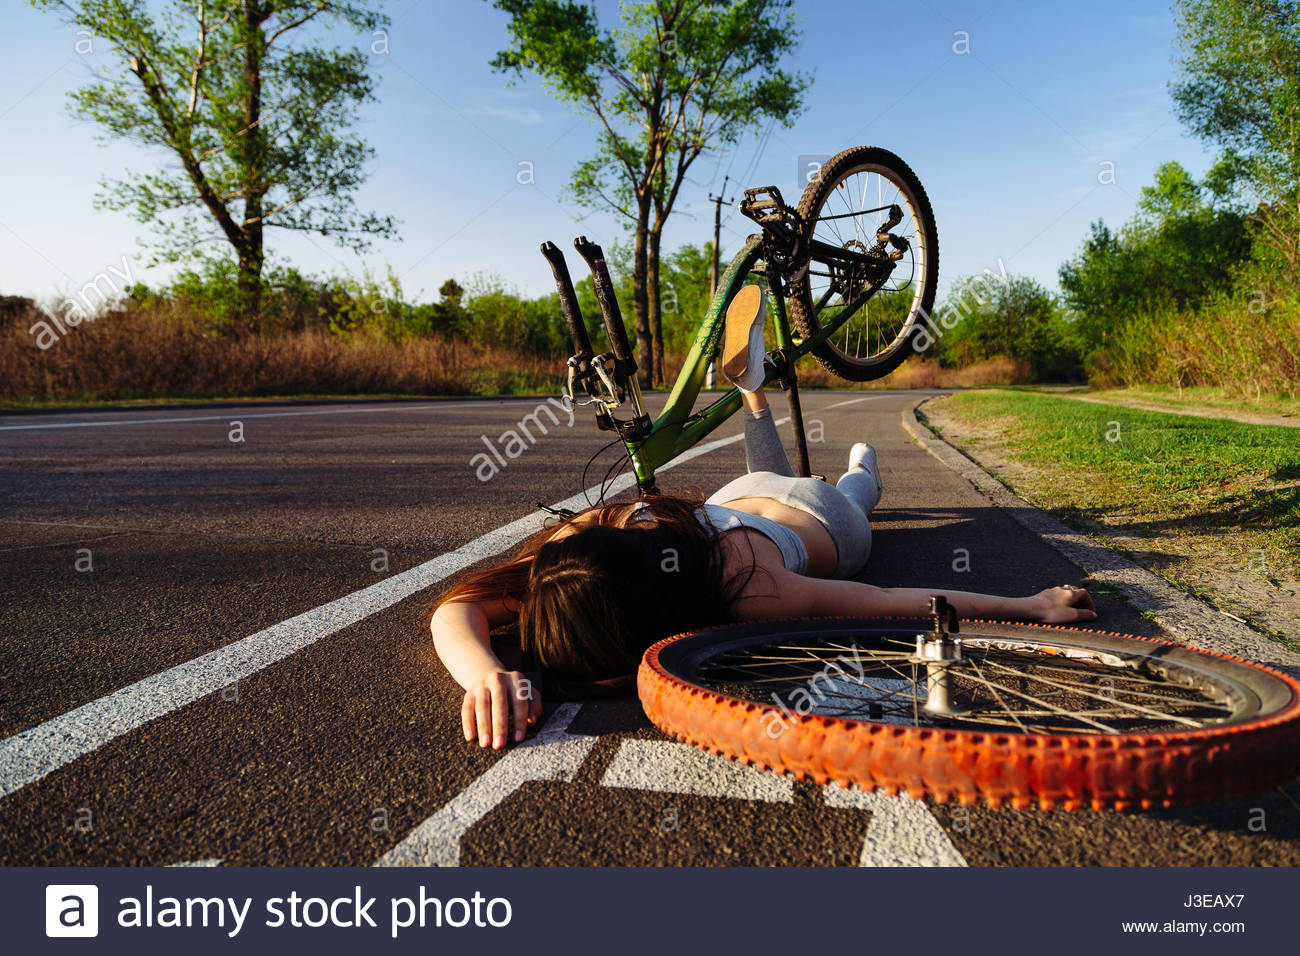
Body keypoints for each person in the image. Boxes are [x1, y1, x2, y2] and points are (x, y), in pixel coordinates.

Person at [429, 286, 1098, 749]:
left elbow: (890, 599)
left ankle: (857, 468)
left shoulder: (754, 592)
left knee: (860, 496)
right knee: (795, 473)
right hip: (735, 495)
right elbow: (458, 609)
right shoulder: (597, 535)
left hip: (829, 524)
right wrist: (486, 669)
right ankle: (757, 397)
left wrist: (1030, 604)